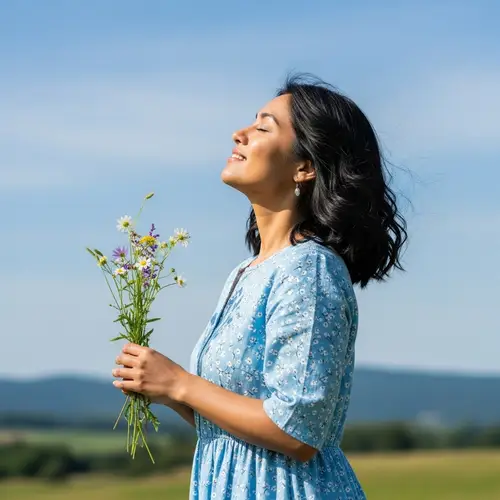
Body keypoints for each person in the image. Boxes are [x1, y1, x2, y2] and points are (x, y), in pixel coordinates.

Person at [112, 73, 407, 499]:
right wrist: (163, 390)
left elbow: (297, 431)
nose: (240, 133)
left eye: (263, 127)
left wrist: (180, 383)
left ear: (305, 168)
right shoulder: (246, 272)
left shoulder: (309, 269)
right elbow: (242, 427)